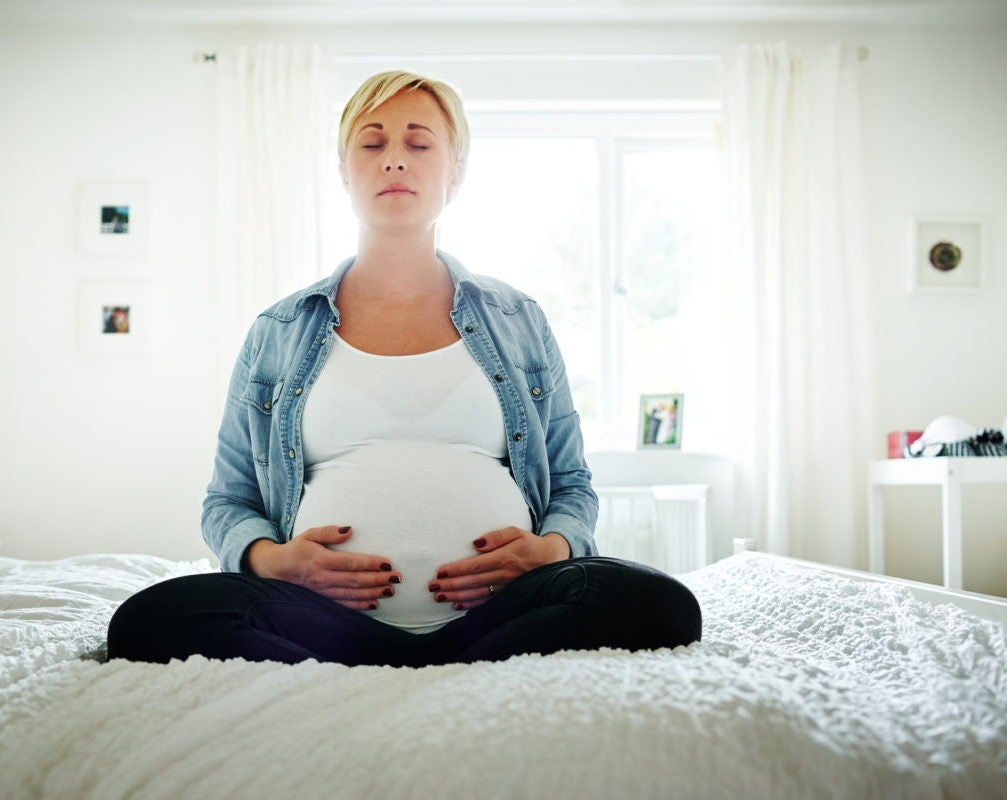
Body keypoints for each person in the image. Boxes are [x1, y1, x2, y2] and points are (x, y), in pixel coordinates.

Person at [107, 70, 701, 667]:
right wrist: (272, 560)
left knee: (662, 604)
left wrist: (550, 551)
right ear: (344, 170)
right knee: (147, 620)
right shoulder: (279, 330)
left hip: (499, 612)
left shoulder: (518, 319)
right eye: (372, 143)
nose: (395, 160)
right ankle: (406, 659)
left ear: (455, 173)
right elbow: (227, 502)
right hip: (327, 624)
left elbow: (572, 485)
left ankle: (439, 658)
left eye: (418, 144)